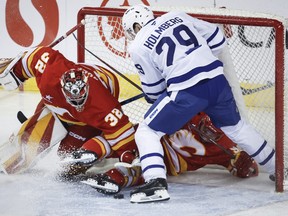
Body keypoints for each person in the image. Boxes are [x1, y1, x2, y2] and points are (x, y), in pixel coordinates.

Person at [122, 4, 275, 203]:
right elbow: (218, 39)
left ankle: (155, 183)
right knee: (236, 128)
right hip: (217, 82)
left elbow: (154, 91)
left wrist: (170, 84)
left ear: (134, 26)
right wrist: (195, 59)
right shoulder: (176, 15)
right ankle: (279, 168)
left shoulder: (137, 45)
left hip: (187, 91)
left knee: (147, 131)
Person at [0, 46, 139, 182]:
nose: (78, 102)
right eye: (73, 98)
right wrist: (13, 72)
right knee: (29, 141)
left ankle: (97, 142)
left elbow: (124, 135)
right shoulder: (50, 76)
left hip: (87, 118)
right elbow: (32, 58)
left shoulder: (102, 104)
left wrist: (127, 157)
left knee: (68, 167)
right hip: (58, 105)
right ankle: (38, 120)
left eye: (81, 98)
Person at [83, 112, 258, 198]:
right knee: (122, 139)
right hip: (156, 138)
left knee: (141, 167)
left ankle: (117, 177)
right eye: (206, 127)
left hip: (173, 161)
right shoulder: (191, 109)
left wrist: (242, 166)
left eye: (214, 134)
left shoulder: (225, 147)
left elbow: (246, 168)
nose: (208, 134)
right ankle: (84, 155)